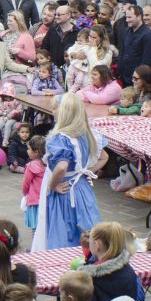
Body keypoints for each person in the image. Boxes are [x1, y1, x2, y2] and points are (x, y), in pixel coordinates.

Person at [32, 93, 108, 251]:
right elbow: (103, 157)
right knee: (88, 229)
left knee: (64, 233)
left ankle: (63, 265)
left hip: (65, 189)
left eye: (55, 108)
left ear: (65, 111)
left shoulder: (60, 138)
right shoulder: (86, 133)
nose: (52, 111)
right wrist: (84, 172)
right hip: (81, 186)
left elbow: (61, 167)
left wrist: (53, 186)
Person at [116, 4, 151, 86]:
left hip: (136, 79)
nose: (127, 20)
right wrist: (119, 71)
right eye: (126, 17)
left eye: (130, 17)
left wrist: (138, 79)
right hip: (124, 76)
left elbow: (147, 61)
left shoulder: (148, 35)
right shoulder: (127, 31)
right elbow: (122, 52)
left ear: (139, 16)